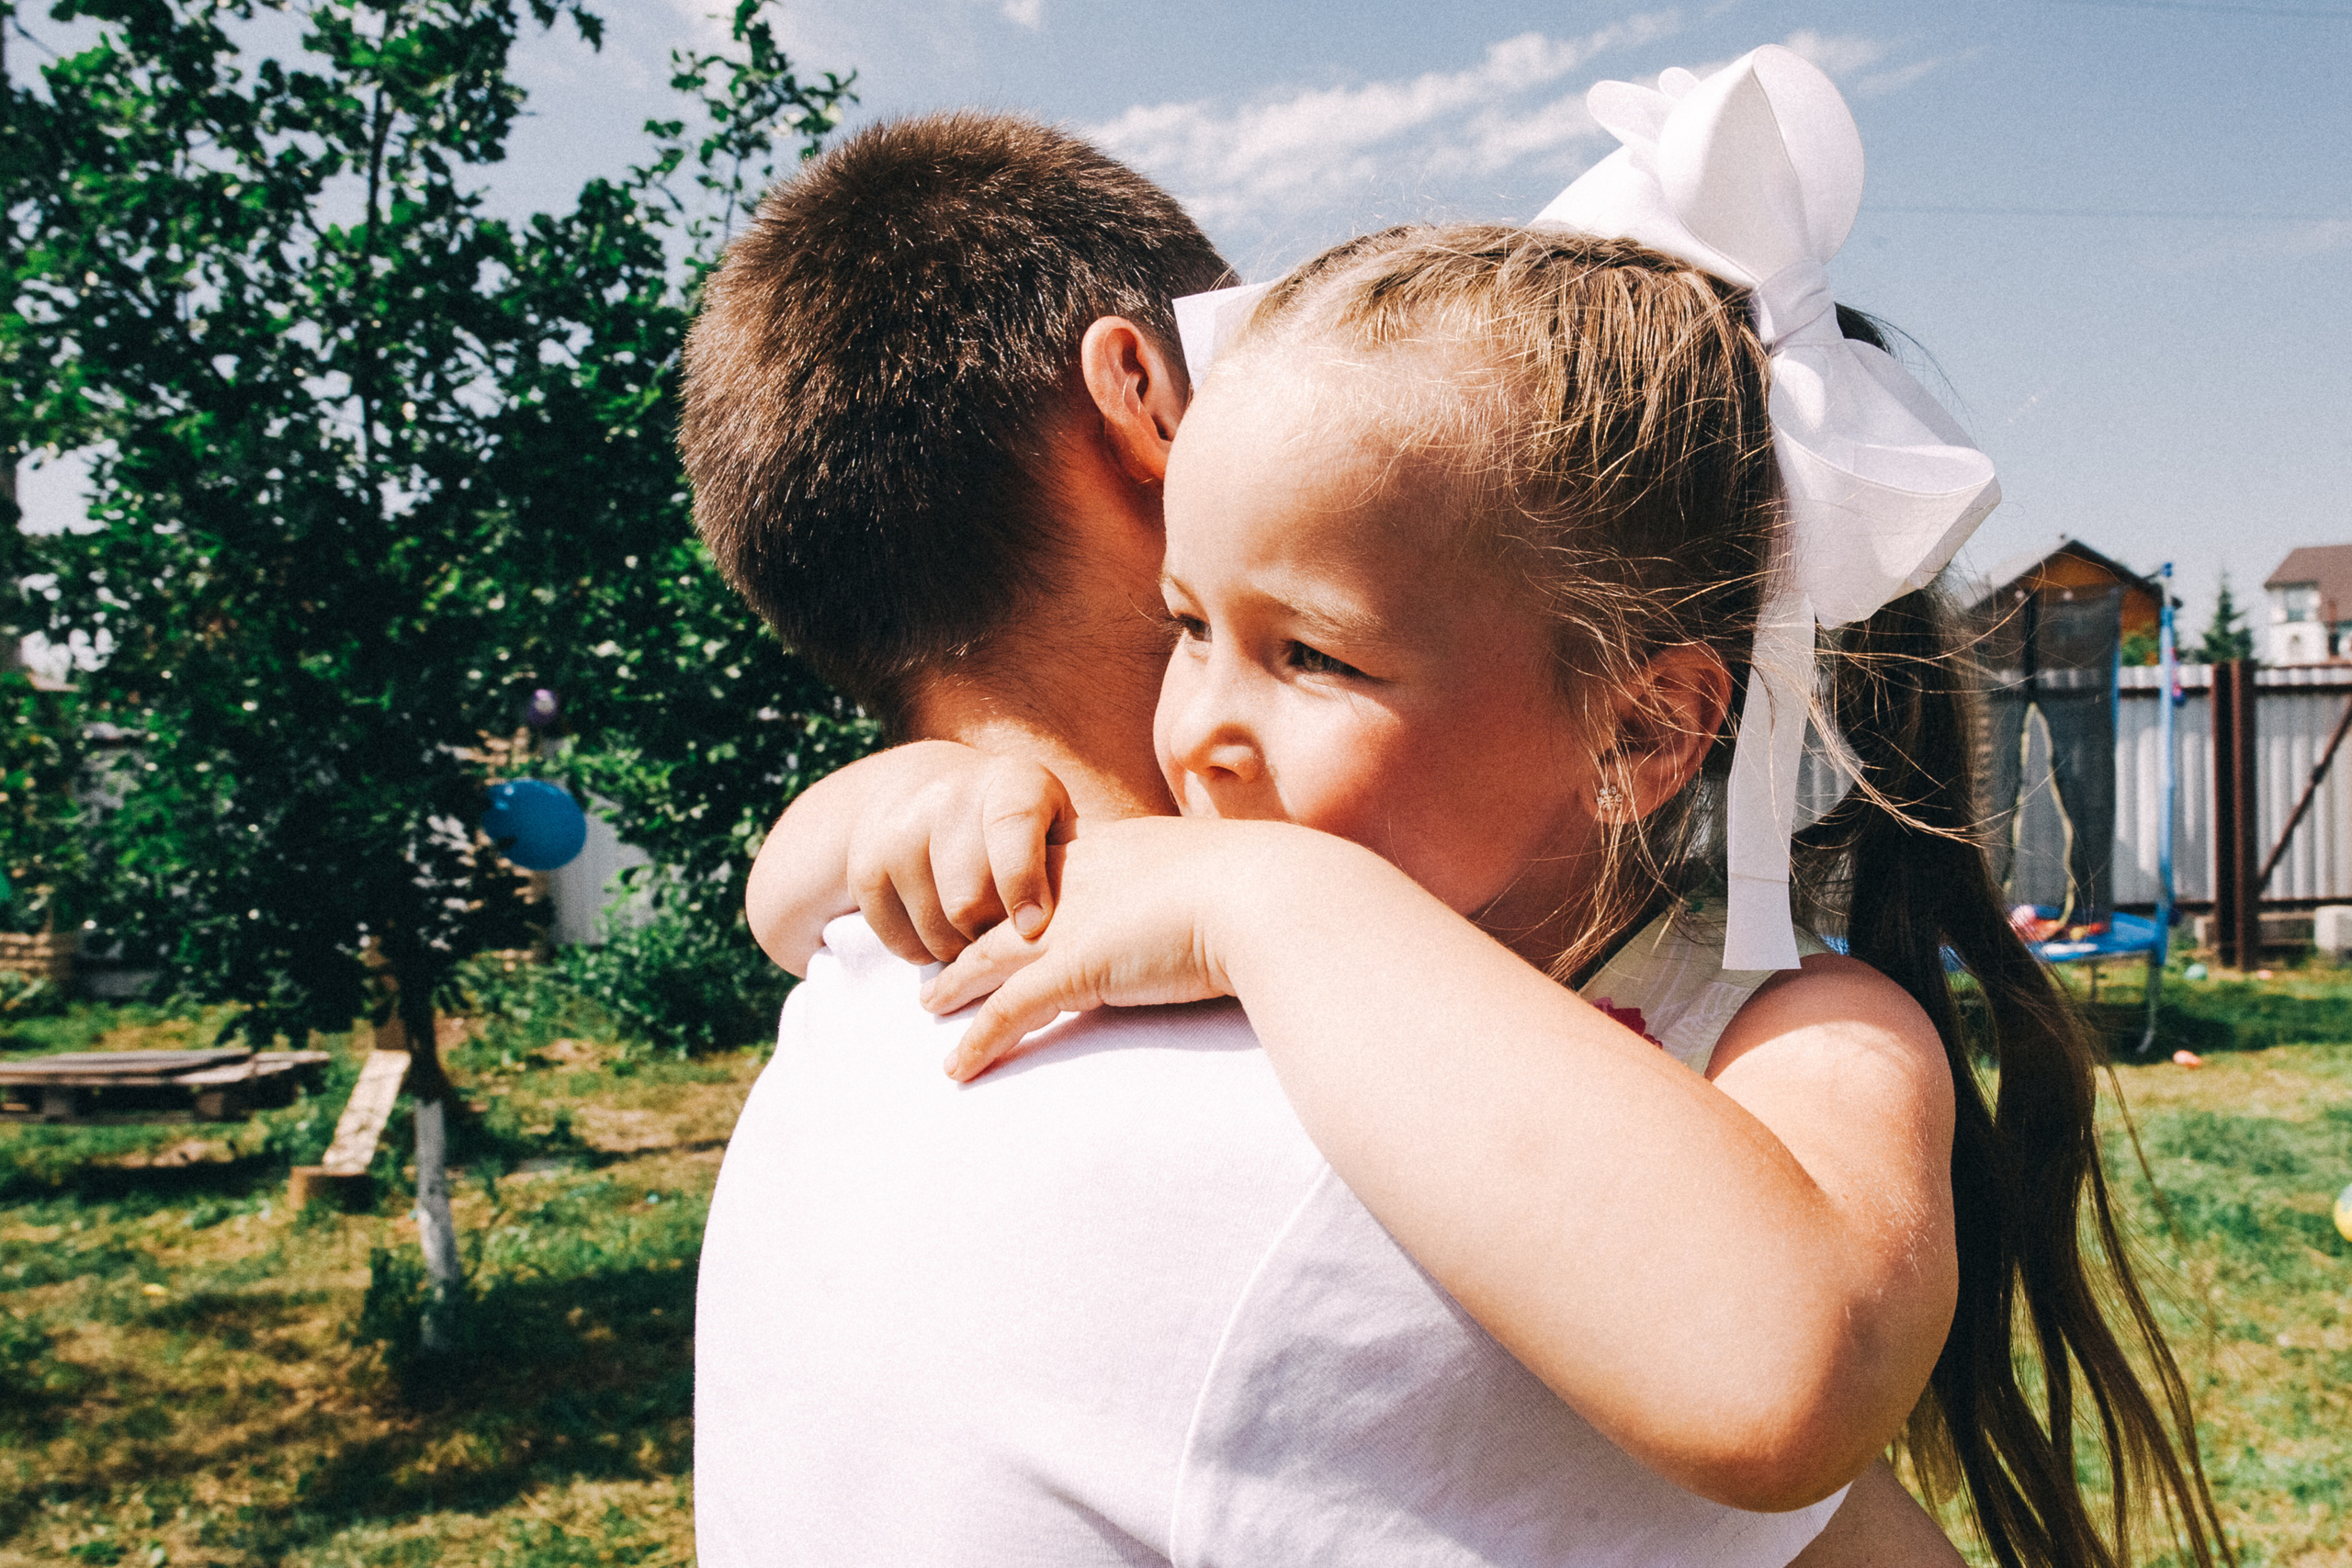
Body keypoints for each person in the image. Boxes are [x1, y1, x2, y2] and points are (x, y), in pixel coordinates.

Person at [753, 52, 2230, 1568]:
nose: (1202, 731)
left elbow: (1789, 1384)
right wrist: (923, 794)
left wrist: (1283, 907)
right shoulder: (1164, 876)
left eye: (1309, 654)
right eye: (1188, 622)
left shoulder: (1795, 1033)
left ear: (1643, 730)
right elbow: (790, 896)